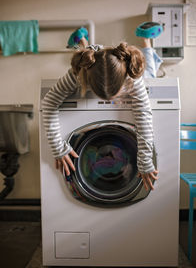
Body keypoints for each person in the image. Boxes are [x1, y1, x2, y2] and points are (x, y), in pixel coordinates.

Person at [42, 22, 162, 191]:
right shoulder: (78, 74)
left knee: (151, 73)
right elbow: (49, 102)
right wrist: (58, 148)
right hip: (94, 59)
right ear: (88, 82)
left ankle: (146, 39)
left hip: (114, 61)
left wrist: (145, 161)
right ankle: (83, 41)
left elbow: (143, 115)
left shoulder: (132, 76)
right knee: (88, 54)